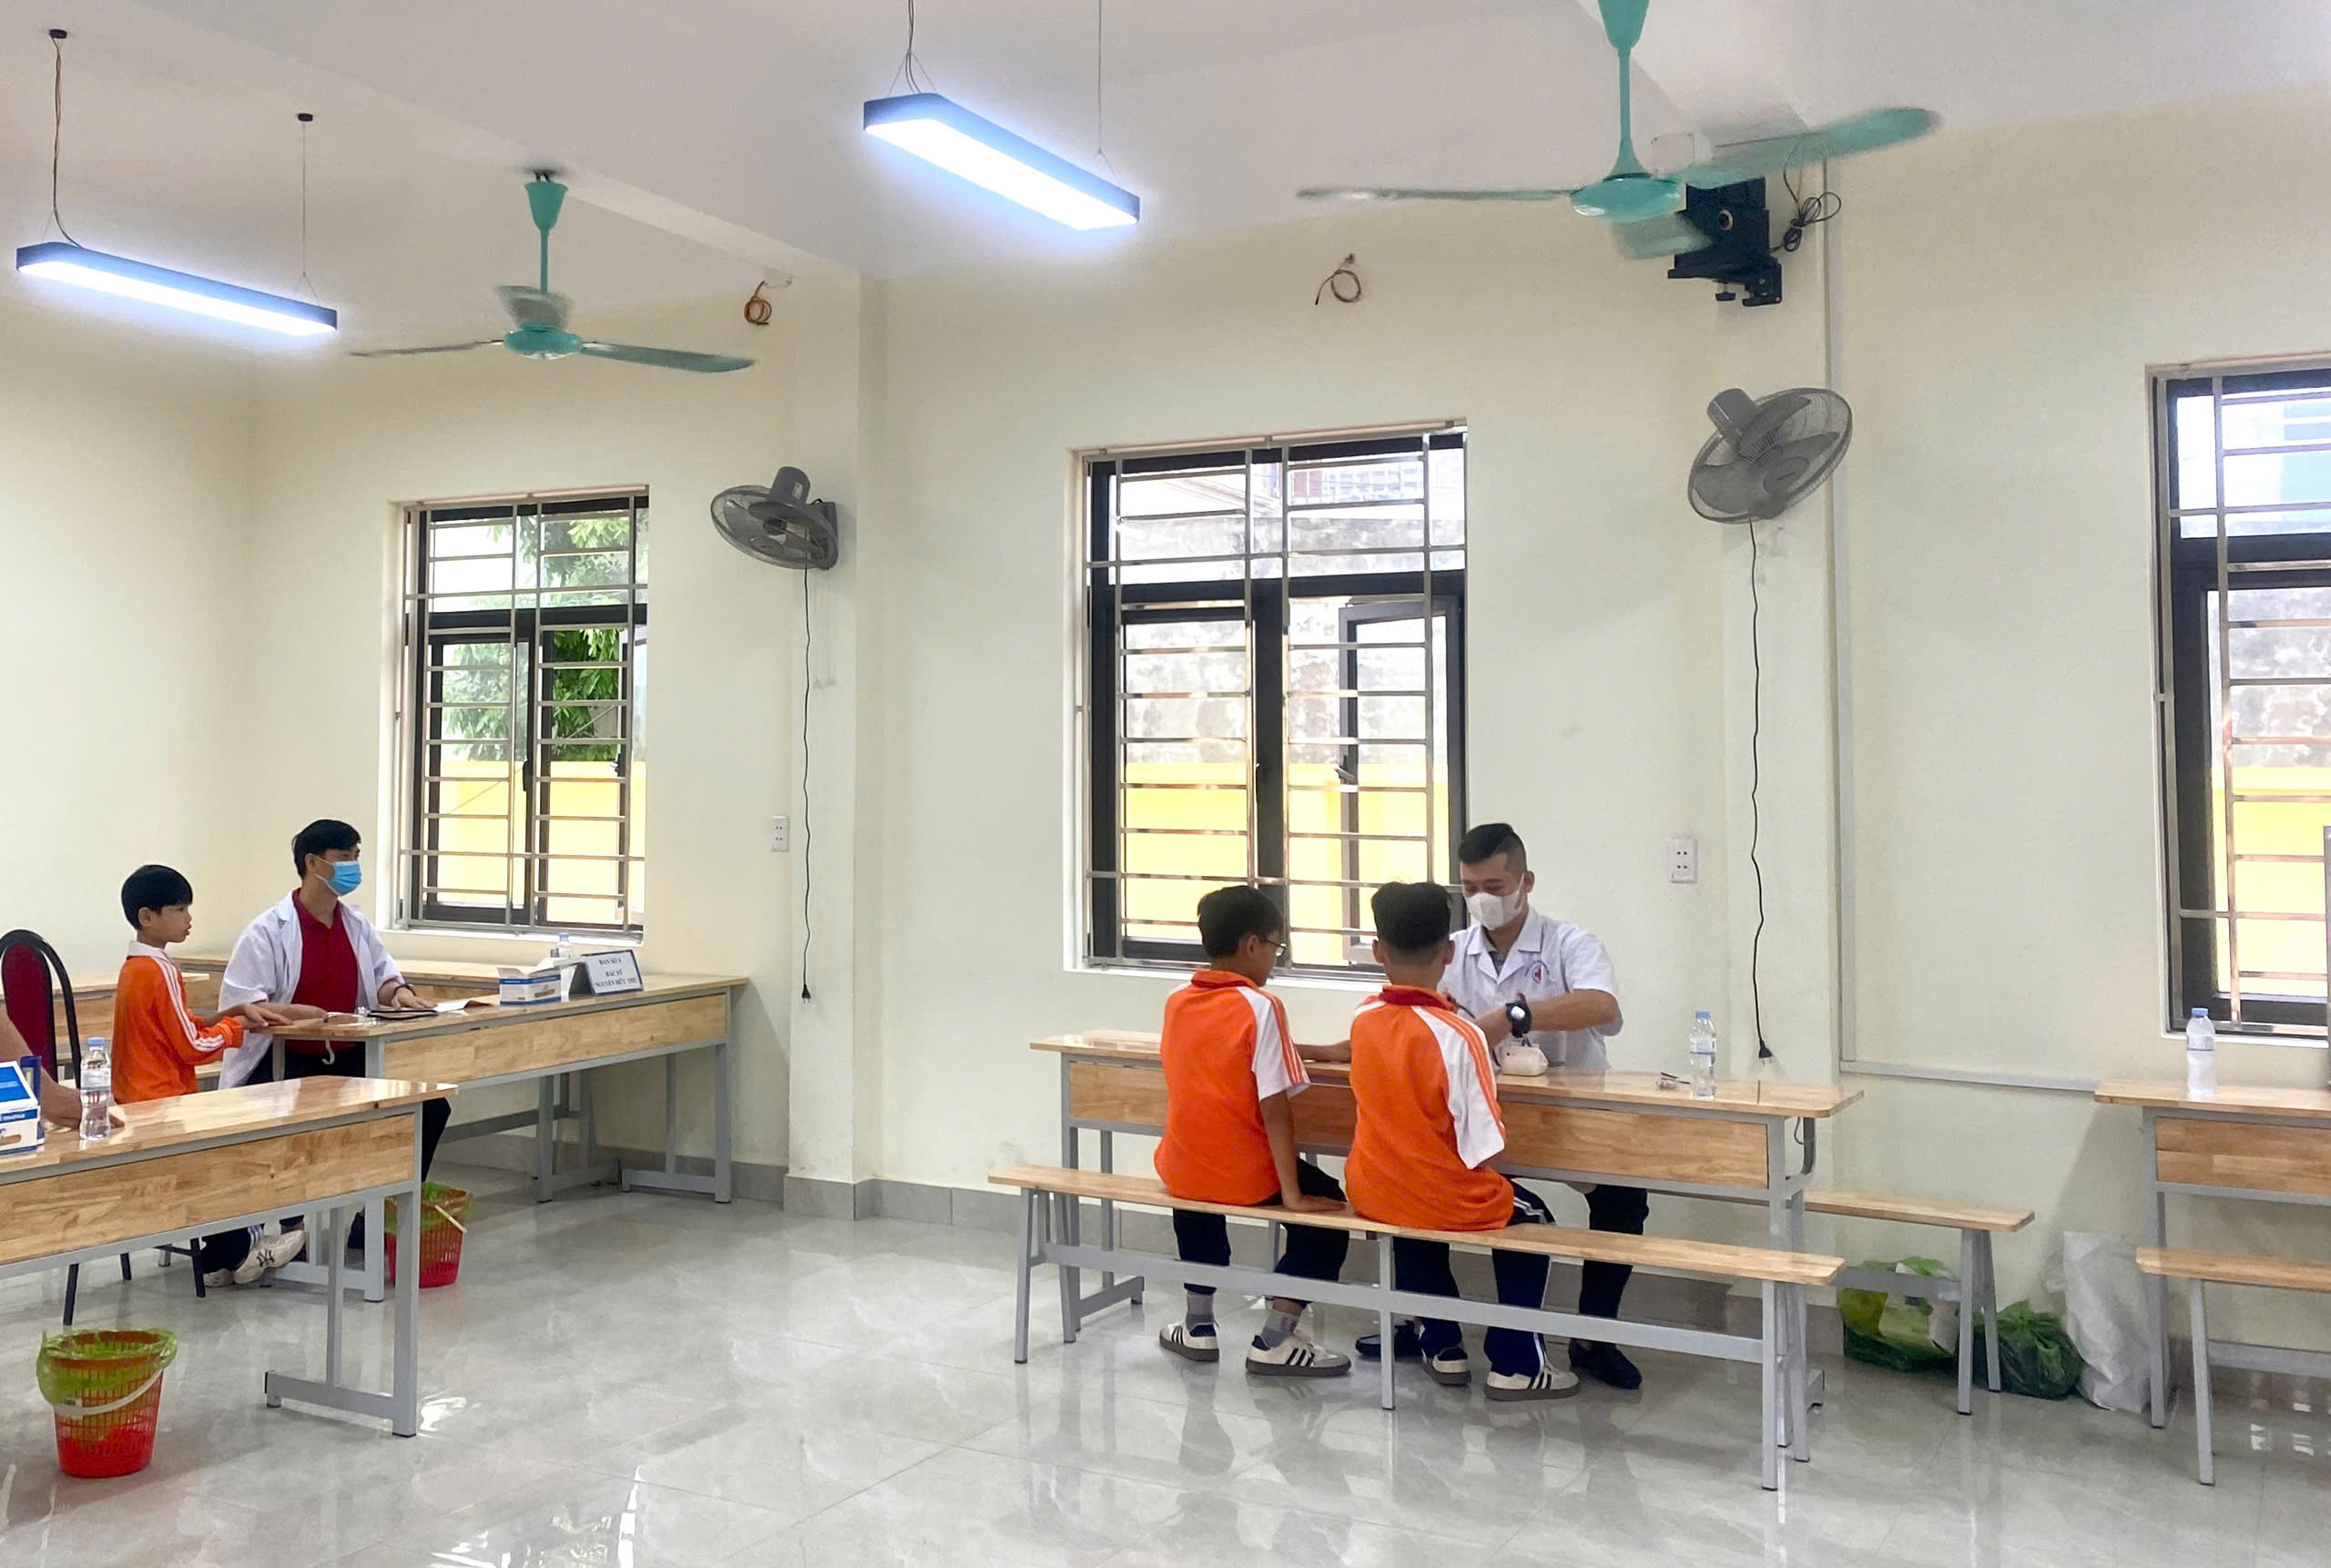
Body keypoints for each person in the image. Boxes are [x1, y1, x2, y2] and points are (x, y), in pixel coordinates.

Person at [1432, 820, 1645, 1390]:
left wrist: (1515, 1015)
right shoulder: (1451, 950)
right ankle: (1431, 1327)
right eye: (1470, 888)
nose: (1482, 899)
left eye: (1495, 887)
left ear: (1526, 882)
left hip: (1570, 1113)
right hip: (1485, 1113)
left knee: (1624, 1200)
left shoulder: (1569, 943)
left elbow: (1601, 1006)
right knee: (1426, 1180)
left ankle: (1593, 1337)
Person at [1346, 881, 1576, 1402]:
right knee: (1534, 1219)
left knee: (1409, 1212)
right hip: (1435, 1194)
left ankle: (1441, 1343)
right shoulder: (1461, 1035)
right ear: (1449, 953)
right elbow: (1485, 1149)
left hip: (1373, 1188)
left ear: (1378, 951)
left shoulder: (1364, 1017)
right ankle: (1518, 1363)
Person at [1155, 886, 1353, 1376]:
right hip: (1243, 1176)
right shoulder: (1262, 1006)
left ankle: (1198, 1325)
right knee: (1329, 1214)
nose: (1273, 959)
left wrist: (1320, 1050)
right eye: (1274, 947)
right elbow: (1275, 1110)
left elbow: (1237, 1051)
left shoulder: (1178, 1001)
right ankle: (1276, 1338)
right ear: (1250, 945)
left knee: (1196, 1192)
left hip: (1180, 1167)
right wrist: (1293, 1194)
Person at [112, 863, 321, 1285]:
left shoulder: (135, 967)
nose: (188, 918)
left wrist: (230, 1012)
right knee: (233, 1151)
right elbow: (192, 1046)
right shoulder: (160, 970)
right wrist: (235, 1028)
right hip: (164, 1102)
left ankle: (220, 1258)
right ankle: (243, 1252)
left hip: (141, 1097)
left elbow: (183, 1022)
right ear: (147, 917)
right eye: (179, 909)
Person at [219, 820, 450, 1186]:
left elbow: (383, 977)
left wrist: (400, 994)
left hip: (349, 1058)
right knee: (308, 1133)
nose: (353, 866)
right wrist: (304, 1015)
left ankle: (379, 1205)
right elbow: (242, 1006)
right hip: (287, 1062)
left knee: (430, 1108)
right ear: (312, 863)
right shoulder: (267, 931)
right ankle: (301, 1214)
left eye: (356, 856)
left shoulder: (355, 924)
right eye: (344, 857)